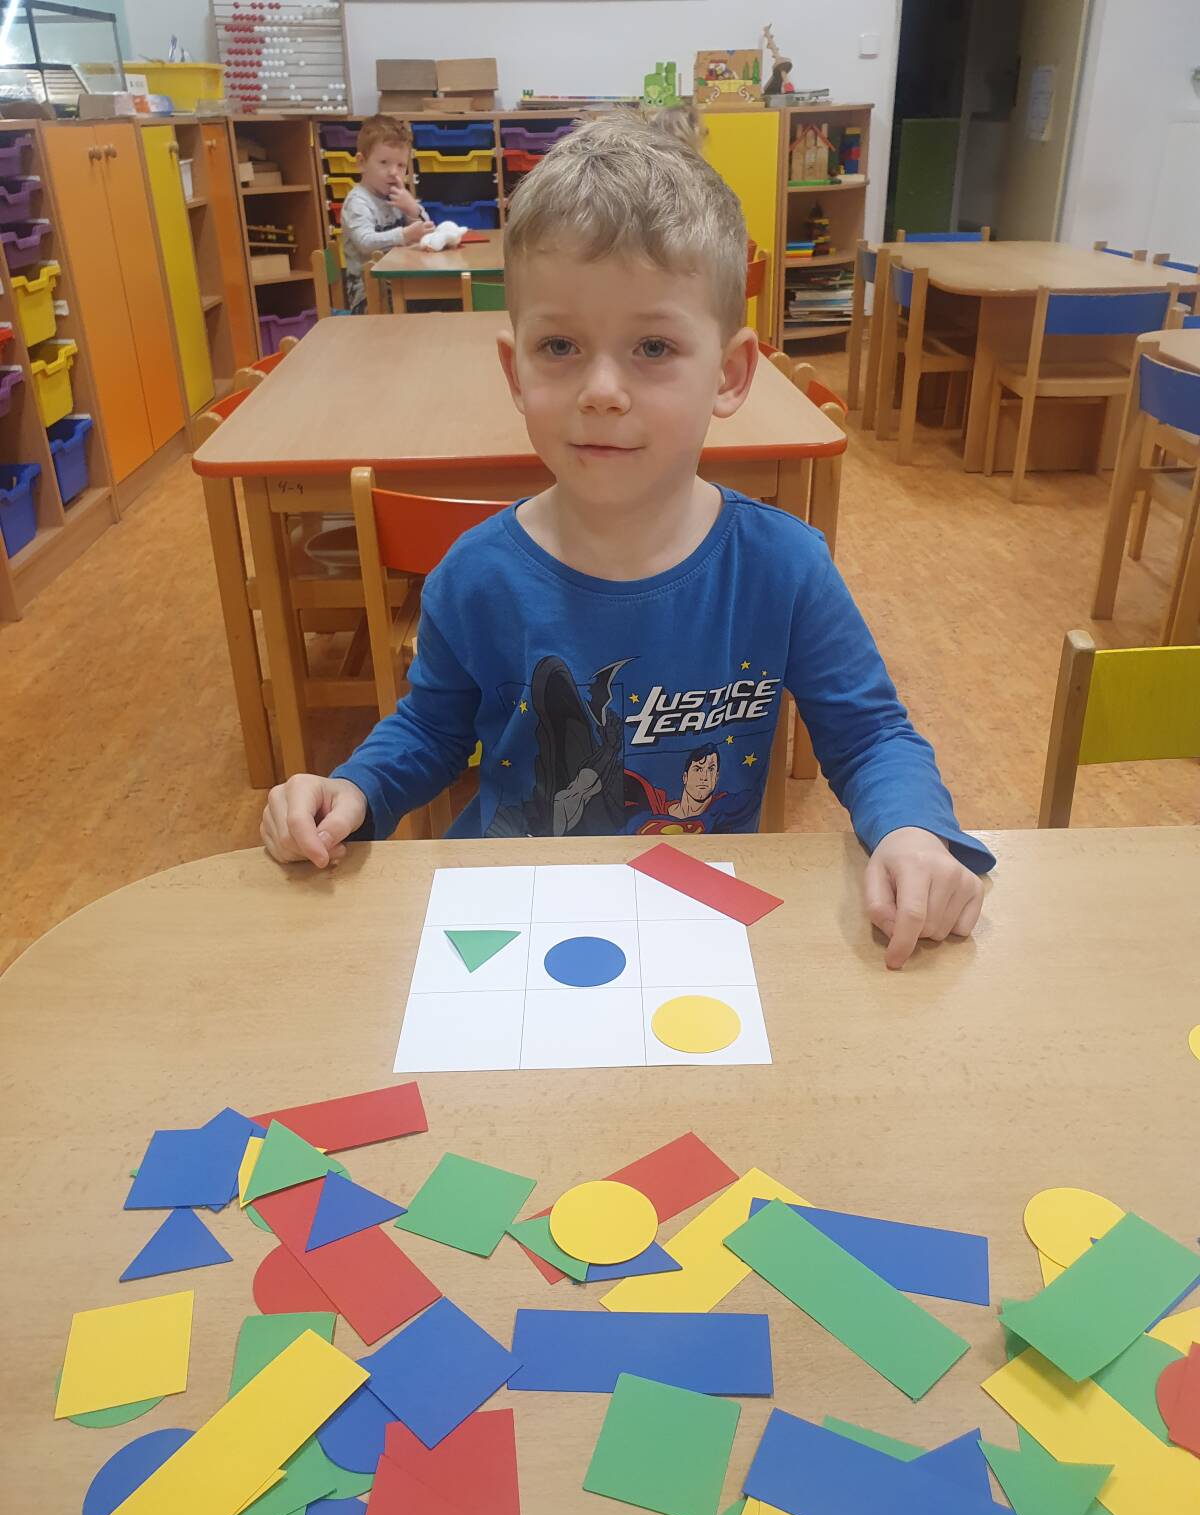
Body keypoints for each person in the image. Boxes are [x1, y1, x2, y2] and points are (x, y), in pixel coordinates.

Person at [260, 112, 994, 969]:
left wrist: (911, 830)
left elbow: (869, 736)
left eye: (652, 346)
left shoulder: (784, 569)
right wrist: (353, 788)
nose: (602, 390)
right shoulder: (475, 576)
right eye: (560, 346)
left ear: (730, 374)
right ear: (514, 370)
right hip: (508, 924)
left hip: (688, 928)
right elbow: (429, 730)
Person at [340, 115, 433, 312]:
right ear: (361, 163)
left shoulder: (397, 195)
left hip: (400, 280)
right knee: (423, 307)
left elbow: (428, 232)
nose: (393, 172)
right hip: (368, 293)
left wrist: (413, 210)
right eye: (384, 162)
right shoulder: (357, 202)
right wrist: (404, 235)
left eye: (401, 165)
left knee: (440, 298)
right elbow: (365, 242)